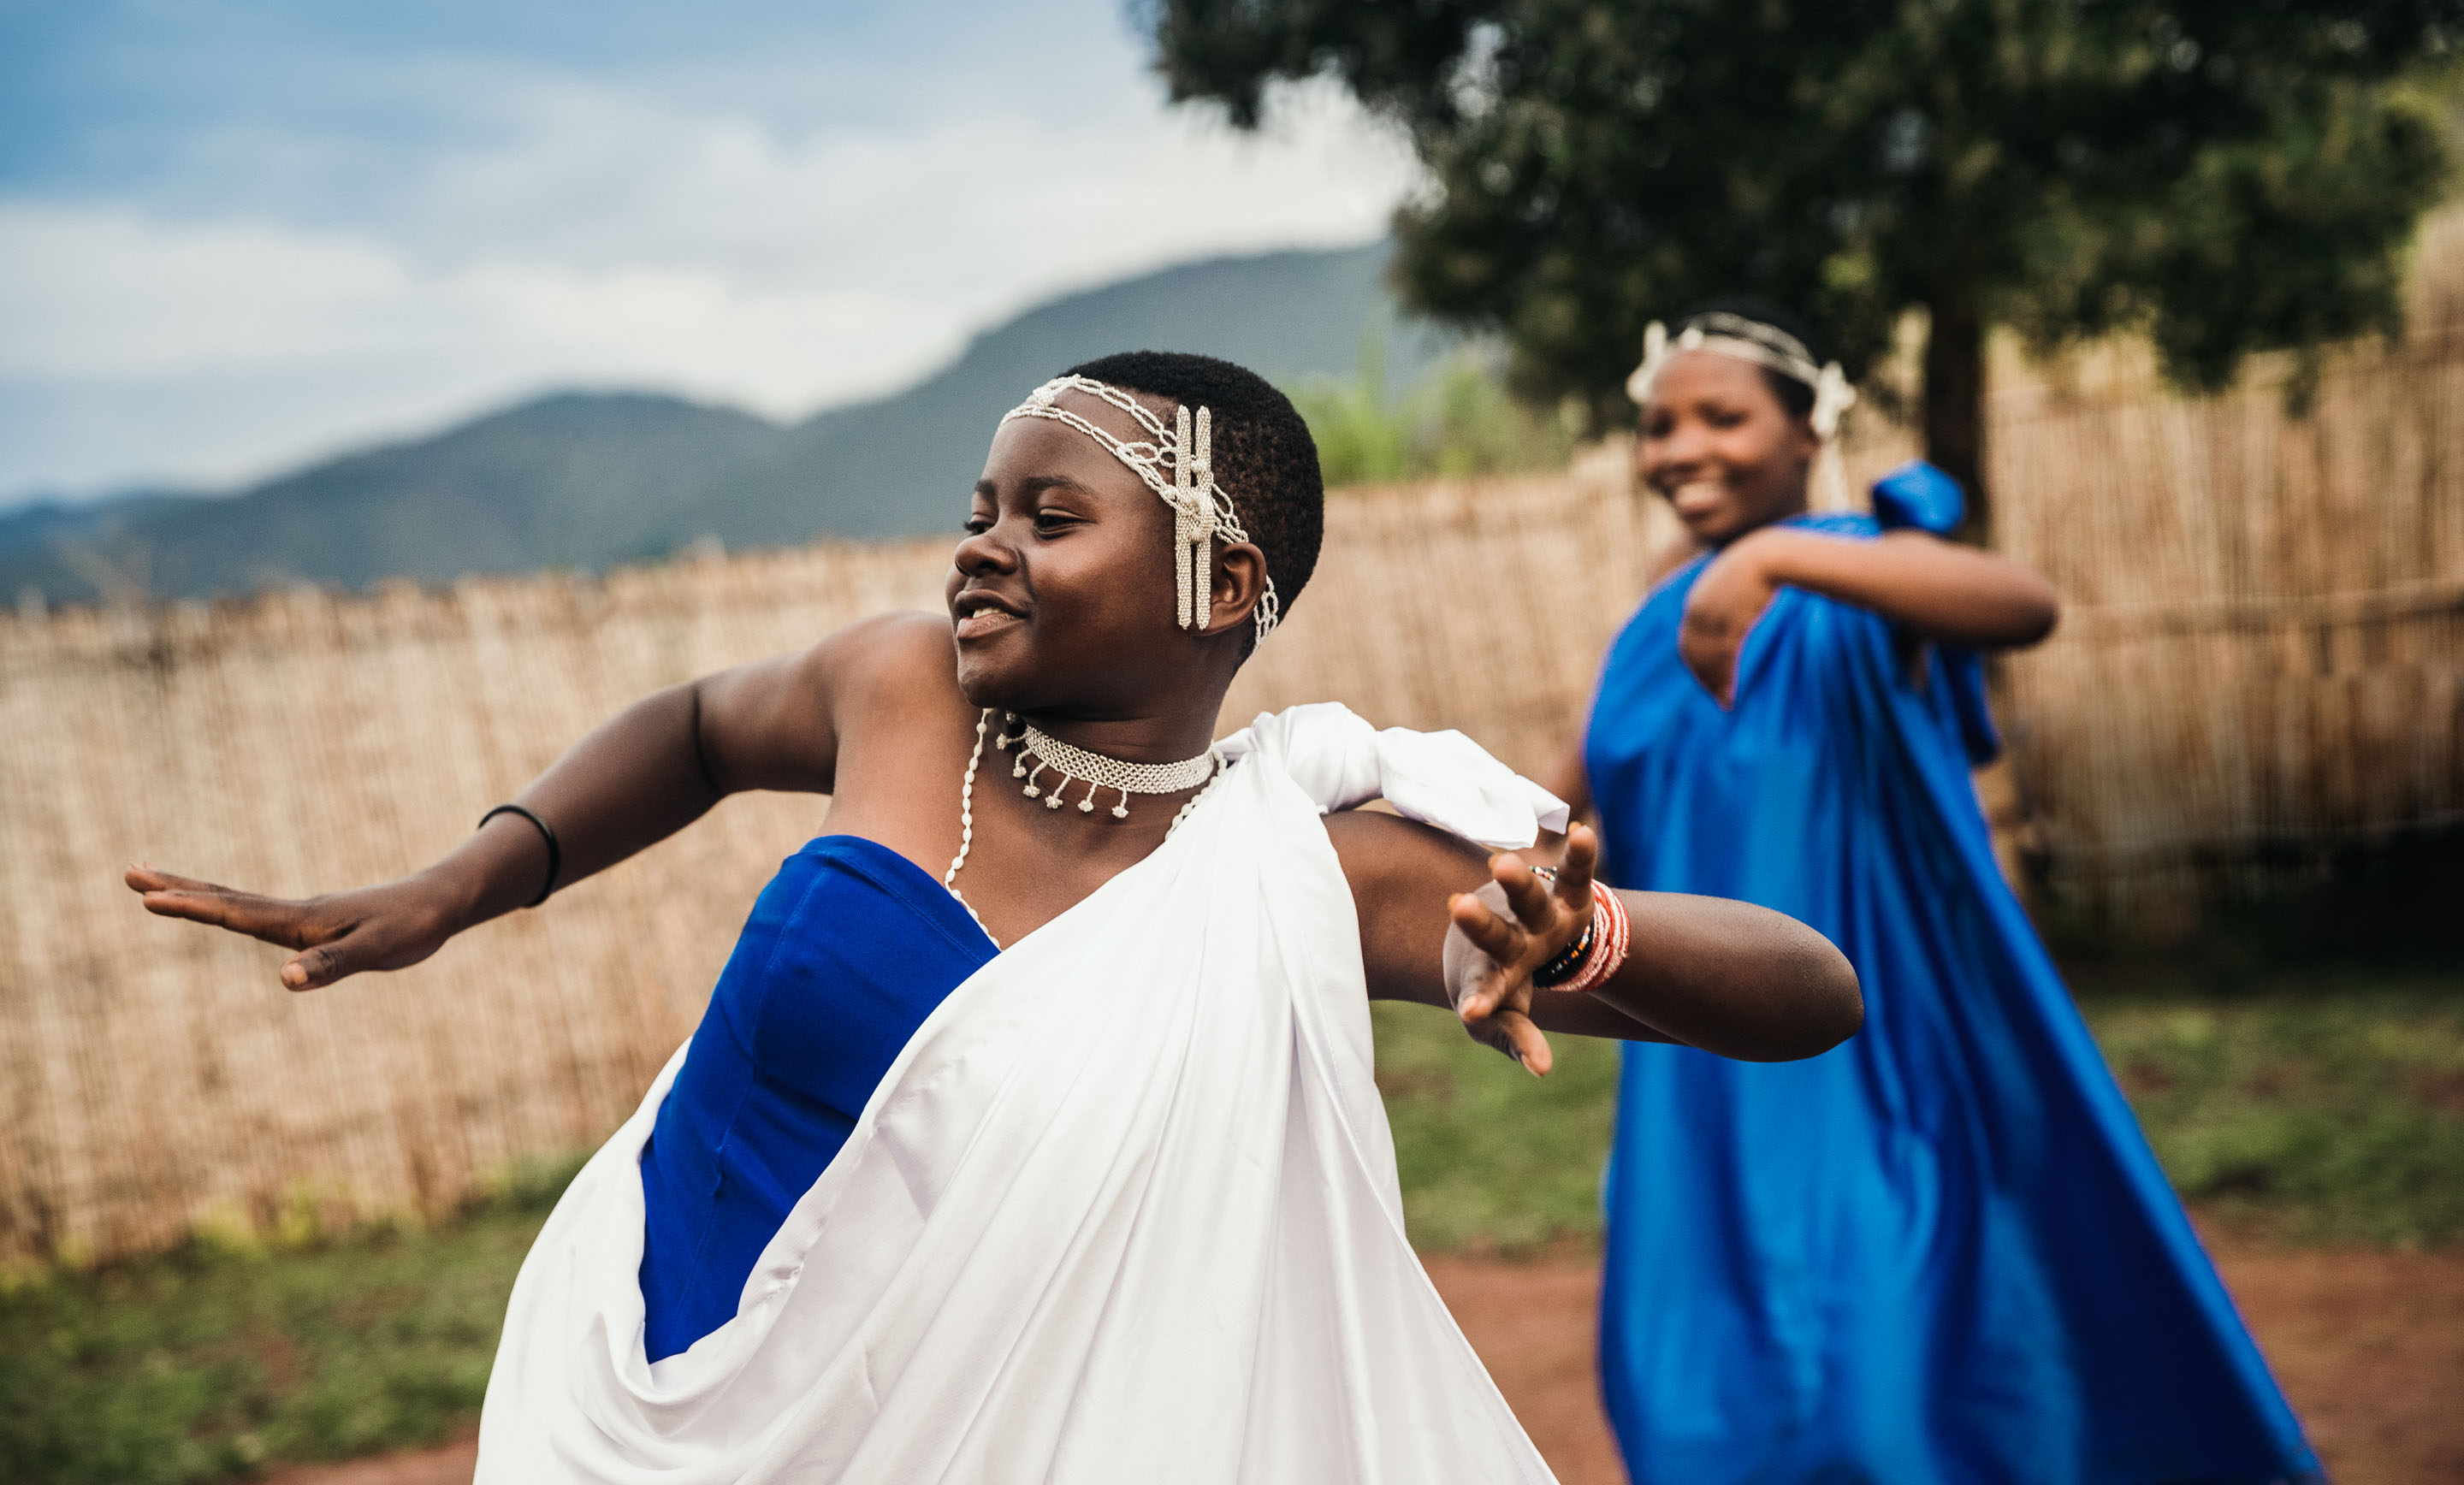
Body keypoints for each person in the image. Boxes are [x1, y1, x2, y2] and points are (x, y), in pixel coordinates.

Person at [129, 352, 1863, 1484]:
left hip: (996, 1437)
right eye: (977, 512)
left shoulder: (1308, 873)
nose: (980, 549)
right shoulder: (901, 700)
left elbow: (1814, 992)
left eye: (1050, 515)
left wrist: (1572, 946)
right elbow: (695, 730)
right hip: (644, 1392)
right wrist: (466, 880)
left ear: (1224, 581)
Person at [1555, 303, 2319, 1484]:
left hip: (1867, 1050)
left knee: (1880, 1377)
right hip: (1696, 1059)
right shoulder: (1647, 632)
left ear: (1810, 430)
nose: (1682, 447)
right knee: (1690, 1388)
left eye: (1722, 416)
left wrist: (1776, 556)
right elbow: (1569, 820)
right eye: (1659, 425)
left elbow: (2024, 605)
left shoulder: (1862, 583)